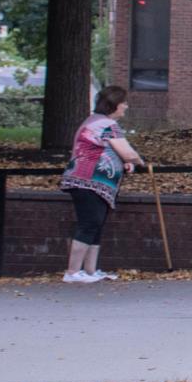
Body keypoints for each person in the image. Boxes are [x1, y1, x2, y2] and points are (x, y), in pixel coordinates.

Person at [58, 85, 144, 283]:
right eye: (123, 103)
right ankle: (72, 272)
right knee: (89, 224)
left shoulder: (95, 122)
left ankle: (89, 271)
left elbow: (106, 150)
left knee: (96, 225)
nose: (126, 106)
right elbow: (128, 152)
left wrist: (124, 164)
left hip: (90, 181)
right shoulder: (107, 125)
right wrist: (139, 161)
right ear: (114, 105)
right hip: (88, 181)